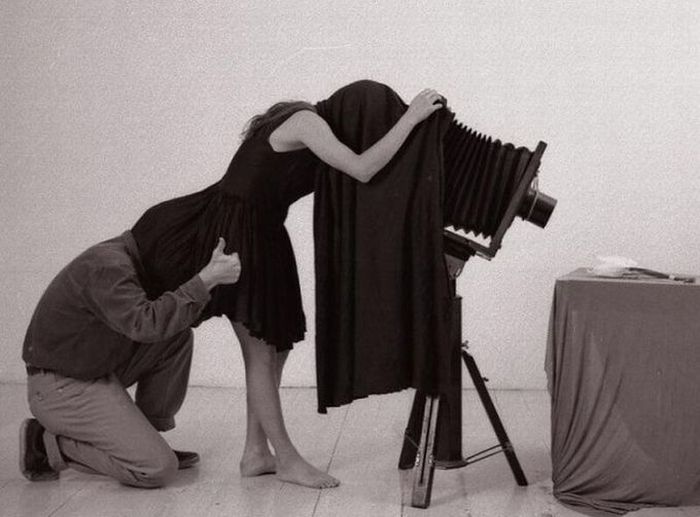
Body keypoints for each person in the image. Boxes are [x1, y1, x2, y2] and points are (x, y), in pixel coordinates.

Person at [100, 83, 444, 489]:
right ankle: (288, 459)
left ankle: (255, 453)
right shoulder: (307, 122)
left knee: (274, 349)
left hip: (261, 231)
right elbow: (362, 168)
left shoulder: (308, 125)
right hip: (236, 232)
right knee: (260, 354)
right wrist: (411, 116)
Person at [20, 233, 241, 487]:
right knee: (158, 469)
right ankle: (44, 443)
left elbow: (171, 320)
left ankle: (144, 440)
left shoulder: (137, 256)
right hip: (60, 386)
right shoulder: (107, 266)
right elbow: (147, 324)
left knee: (175, 336)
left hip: (91, 369)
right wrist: (205, 280)